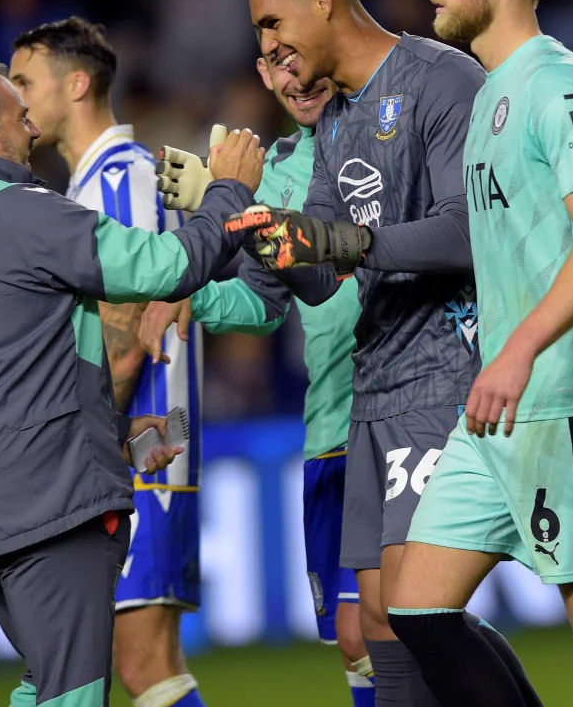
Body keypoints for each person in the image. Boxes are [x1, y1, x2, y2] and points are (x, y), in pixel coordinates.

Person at [188, 0, 530, 707]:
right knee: (378, 624)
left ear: (322, 1)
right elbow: (316, 280)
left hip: (444, 373)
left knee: (417, 610)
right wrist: (251, 226)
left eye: (273, 24)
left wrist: (346, 240)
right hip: (368, 398)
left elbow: (470, 229)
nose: (268, 48)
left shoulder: (442, 78)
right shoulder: (334, 123)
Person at [0, 54, 262, 707]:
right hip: (48, 506)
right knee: (78, 692)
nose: (28, 131)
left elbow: (8, 371)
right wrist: (229, 193)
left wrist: (118, 433)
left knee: (44, 680)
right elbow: (171, 265)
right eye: (16, 118)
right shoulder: (22, 211)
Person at [384, 0, 573, 707]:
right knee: (417, 609)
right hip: (501, 410)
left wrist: (520, 346)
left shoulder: (554, 82)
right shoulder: (493, 95)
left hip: (566, 400)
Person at [142, 54, 375, 704]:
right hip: (331, 419)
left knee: (406, 616)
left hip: (409, 406)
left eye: (303, 58)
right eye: (277, 64)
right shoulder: (270, 174)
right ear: (264, 78)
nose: (296, 78)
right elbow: (264, 306)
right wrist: (197, 297)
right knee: (357, 638)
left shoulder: (391, 138)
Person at [7, 16, 208, 707]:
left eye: (25, 81)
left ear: (79, 82)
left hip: (144, 446)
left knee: (142, 660)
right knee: (139, 661)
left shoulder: (119, 181)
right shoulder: (94, 186)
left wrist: (79, 448)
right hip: (141, 443)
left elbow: (123, 338)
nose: (16, 98)